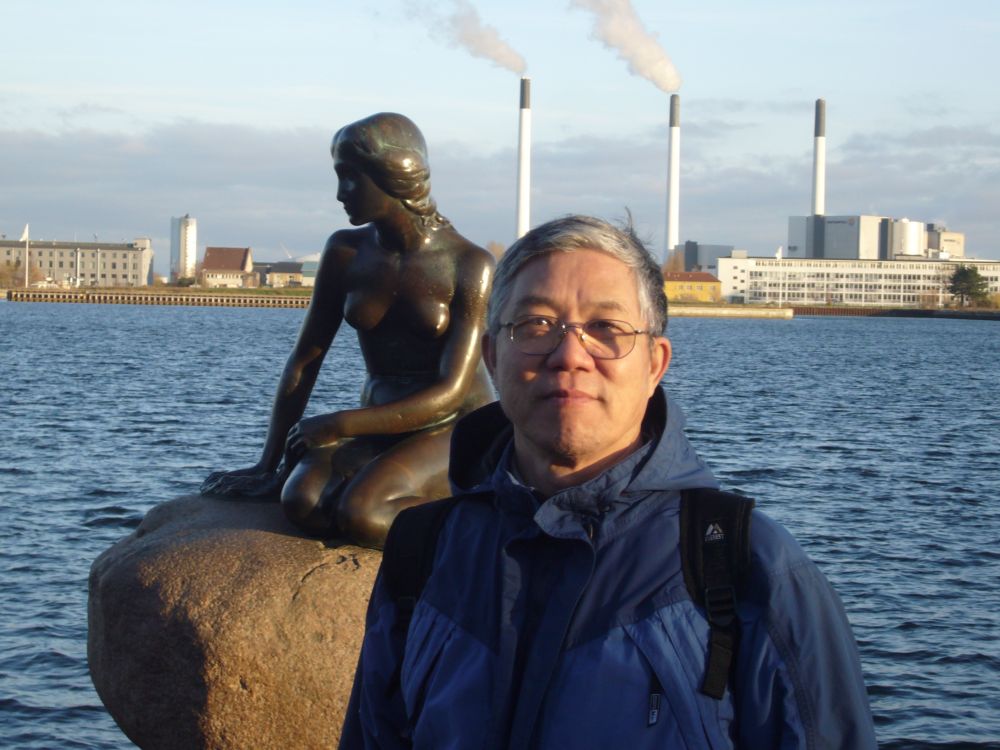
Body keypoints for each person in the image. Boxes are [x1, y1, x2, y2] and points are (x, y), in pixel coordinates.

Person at [340, 215, 877, 748]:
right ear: (492, 357)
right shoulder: (423, 552)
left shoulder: (749, 567)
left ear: (654, 365)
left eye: (607, 329)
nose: (569, 356)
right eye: (536, 325)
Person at [201, 113, 495, 549]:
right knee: (303, 501)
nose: (341, 193)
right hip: (380, 421)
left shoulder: (468, 263)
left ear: (393, 175)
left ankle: (485, 523)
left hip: (454, 427)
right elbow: (305, 359)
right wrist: (267, 464)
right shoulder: (345, 252)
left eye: (351, 177)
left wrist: (339, 424)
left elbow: (450, 392)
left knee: (365, 513)